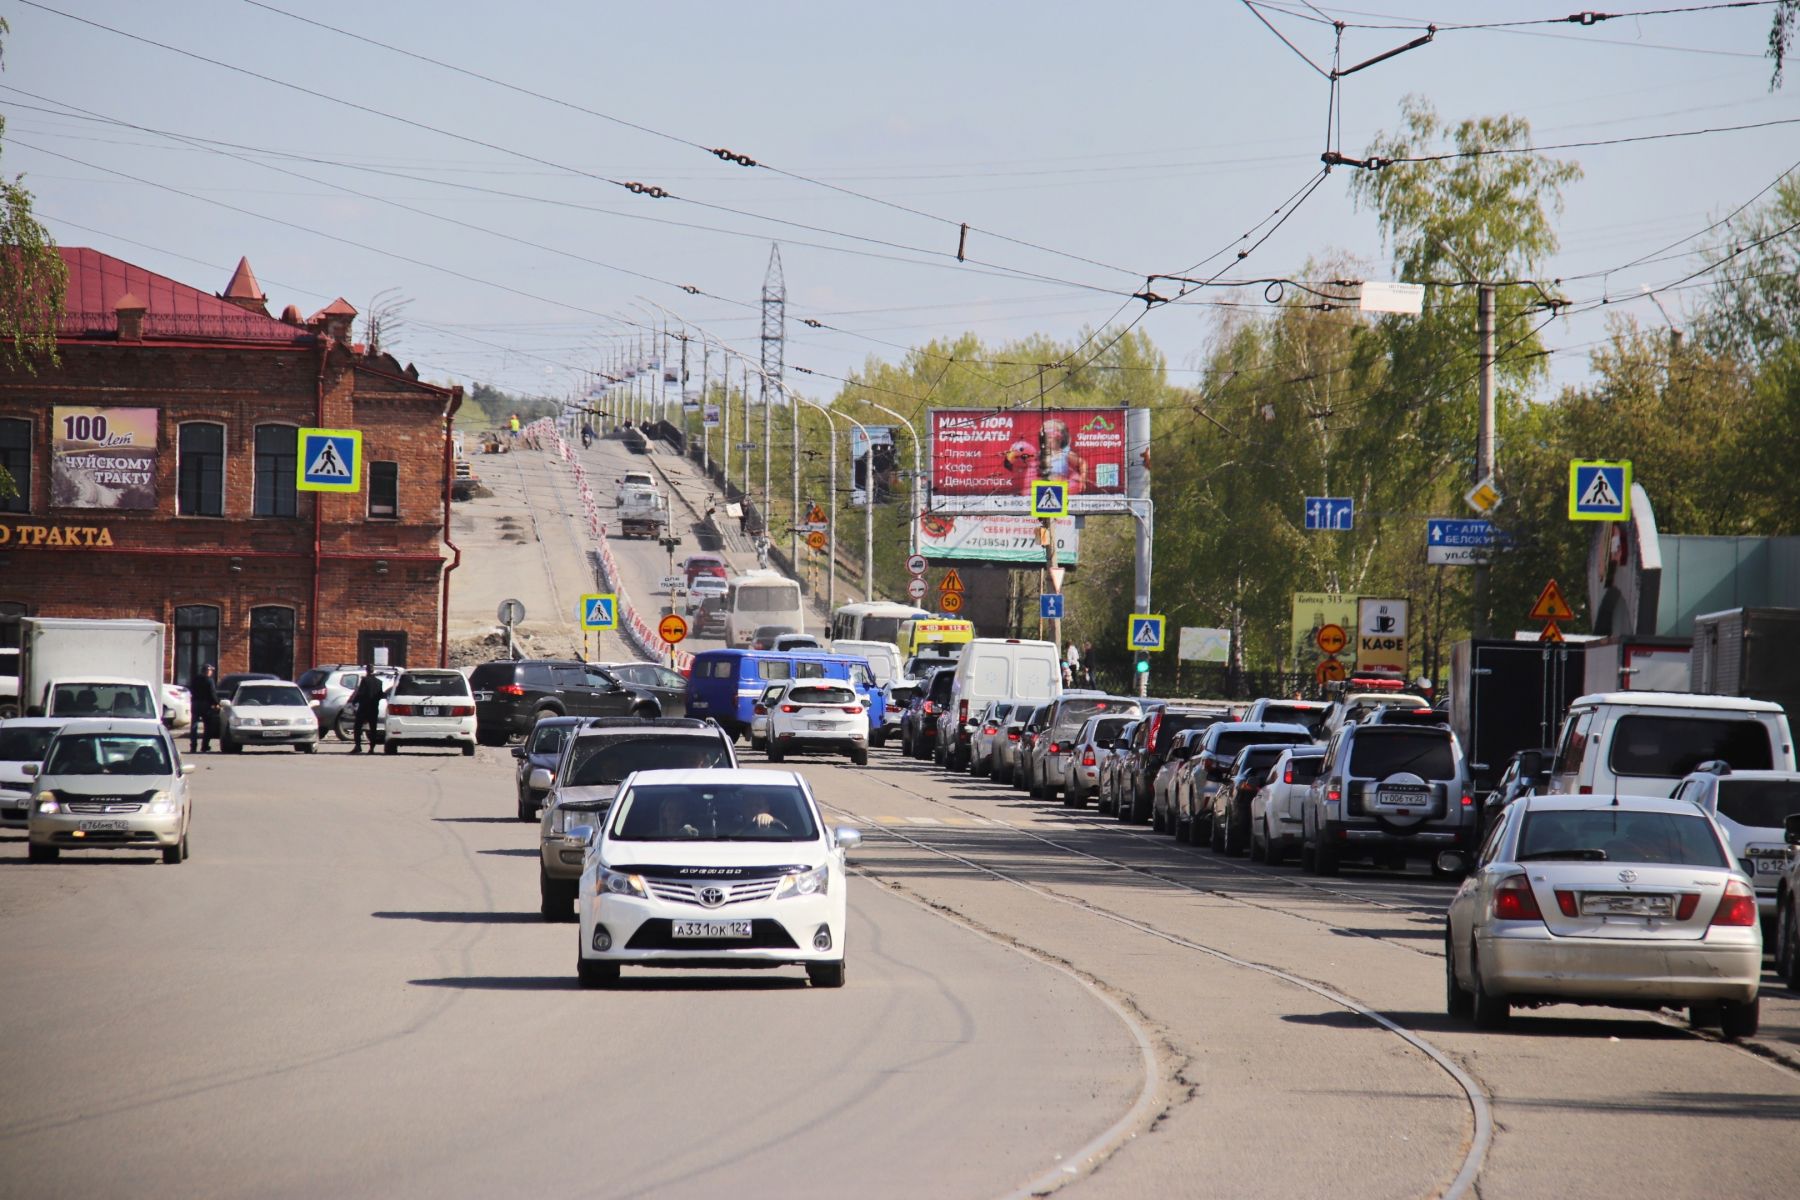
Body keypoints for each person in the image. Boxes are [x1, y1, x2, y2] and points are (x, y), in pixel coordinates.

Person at [349, 665, 386, 754]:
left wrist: (354, 701)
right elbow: (381, 695)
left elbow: (360, 693)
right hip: (374, 708)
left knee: (357, 727)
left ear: (367, 671)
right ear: (373, 671)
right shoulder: (379, 682)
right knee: (373, 728)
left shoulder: (365, 680)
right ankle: (372, 748)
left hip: (364, 708)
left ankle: (358, 746)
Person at [187, 663, 219, 754]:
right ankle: (204, 746)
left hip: (195, 703)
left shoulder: (195, 679)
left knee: (194, 726)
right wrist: (216, 703)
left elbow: (191, 690)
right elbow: (212, 693)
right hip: (206, 705)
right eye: (210, 671)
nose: (211, 672)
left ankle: (193, 746)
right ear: (207, 671)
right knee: (208, 726)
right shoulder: (209, 681)